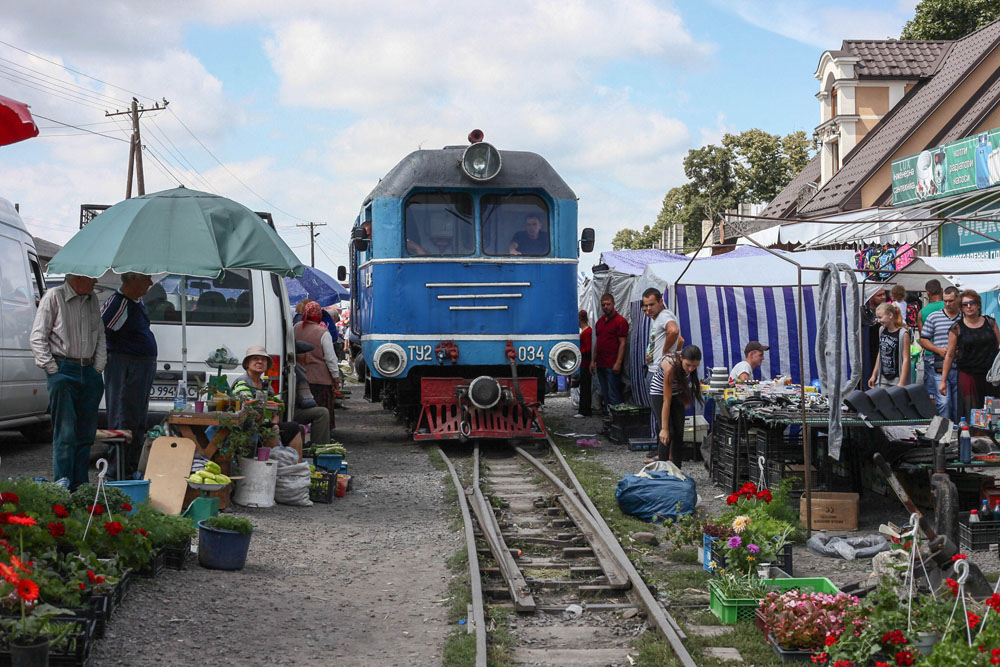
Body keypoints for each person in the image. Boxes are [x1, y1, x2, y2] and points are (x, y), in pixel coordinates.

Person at [29, 274, 107, 490]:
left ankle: (80, 486)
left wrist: (98, 367)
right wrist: (53, 370)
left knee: (86, 433)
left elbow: (100, 334)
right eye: (92, 277)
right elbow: (37, 337)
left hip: (88, 370)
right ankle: (63, 485)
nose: (96, 281)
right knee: (65, 433)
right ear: (78, 277)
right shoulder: (54, 296)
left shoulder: (91, 298)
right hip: (63, 368)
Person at [101, 272, 157, 479]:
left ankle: (130, 468)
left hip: (139, 366)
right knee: (122, 417)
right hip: (125, 366)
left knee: (137, 419)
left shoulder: (135, 302)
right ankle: (116, 472)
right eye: (146, 278)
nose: (150, 282)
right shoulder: (119, 302)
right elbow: (101, 331)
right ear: (132, 279)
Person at [232, 345, 305, 460]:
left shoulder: (266, 385)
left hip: (266, 424)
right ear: (247, 364)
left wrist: (274, 422)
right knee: (271, 430)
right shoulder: (242, 382)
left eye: (263, 359)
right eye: (255, 358)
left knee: (294, 428)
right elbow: (248, 410)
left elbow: (275, 411)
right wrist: (270, 425)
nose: (260, 361)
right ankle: (273, 466)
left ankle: (296, 467)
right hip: (248, 426)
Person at [940, 289, 1000, 420]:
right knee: (971, 412)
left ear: (978, 305)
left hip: (991, 375)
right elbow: (949, 355)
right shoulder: (957, 327)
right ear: (961, 308)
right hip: (968, 374)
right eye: (964, 304)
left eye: (972, 303)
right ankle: (971, 433)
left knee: (993, 413)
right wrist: (943, 381)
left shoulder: (990, 323)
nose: (968, 306)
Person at [648, 345, 703, 467]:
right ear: (681, 358)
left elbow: (686, 383)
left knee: (679, 432)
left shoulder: (689, 365)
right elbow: (666, 401)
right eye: (688, 365)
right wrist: (664, 429)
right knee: (668, 433)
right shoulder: (670, 367)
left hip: (677, 392)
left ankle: (677, 469)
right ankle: (662, 470)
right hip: (659, 393)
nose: (690, 369)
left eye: (694, 366)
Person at [294, 301, 339, 425]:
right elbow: (330, 358)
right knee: (321, 412)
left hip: (300, 377)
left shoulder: (296, 328)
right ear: (319, 315)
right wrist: (335, 377)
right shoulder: (323, 332)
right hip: (321, 381)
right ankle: (322, 433)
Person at [920, 286, 960, 420]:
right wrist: (938, 349)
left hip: (960, 366)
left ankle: (956, 429)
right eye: (945, 301)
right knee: (943, 402)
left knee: (957, 404)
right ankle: (945, 430)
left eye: (951, 301)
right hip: (939, 365)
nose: (947, 304)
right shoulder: (934, 316)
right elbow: (923, 340)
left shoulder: (964, 317)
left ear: (958, 299)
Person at [591, 293, 628, 414]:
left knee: (614, 393)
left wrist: (618, 362)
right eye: (603, 305)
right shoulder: (600, 322)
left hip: (612, 364)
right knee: (605, 393)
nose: (605, 307)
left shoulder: (620, 321)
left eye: (608, 304)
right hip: (601, 363)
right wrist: (593, 361)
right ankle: (608, 418)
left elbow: (623, 343)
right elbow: (598, 342)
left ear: (613, 304)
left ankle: (617, 420)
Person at [641, 287, 682, 392]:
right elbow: (681, 340)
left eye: (652, 304)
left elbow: (674, 330)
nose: (649, 309)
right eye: (646, 306)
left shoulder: (664, 315)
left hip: (659, 371)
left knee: (659, 402)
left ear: (661, 301)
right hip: (654, 368)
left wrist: (665, 351)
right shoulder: (657, 318)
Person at [292, 341, 331, 446]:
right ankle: (319, 445)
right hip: (294, 411)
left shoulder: (295, 369)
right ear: (304, 356)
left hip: (291, 409)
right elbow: (307, 402)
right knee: (322, 413)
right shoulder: (299, 372)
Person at [868, 303, 911, 388]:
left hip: (897, 378)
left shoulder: (903, 334)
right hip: (883, 377)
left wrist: (902, 382)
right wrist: (874, 375)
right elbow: (880, 353)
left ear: (890, 315)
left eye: (880, 317)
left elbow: (906, 359)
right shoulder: (881, 330)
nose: (878, 321)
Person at [574, 310, 593, 418]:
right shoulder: (587, 331)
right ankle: (585, 409)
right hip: (584, 362)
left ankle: (584, 410)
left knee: (585, 386)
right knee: (584, 386)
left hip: (585, 362)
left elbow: (588, 348)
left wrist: (578, 352)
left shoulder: (586, 332)